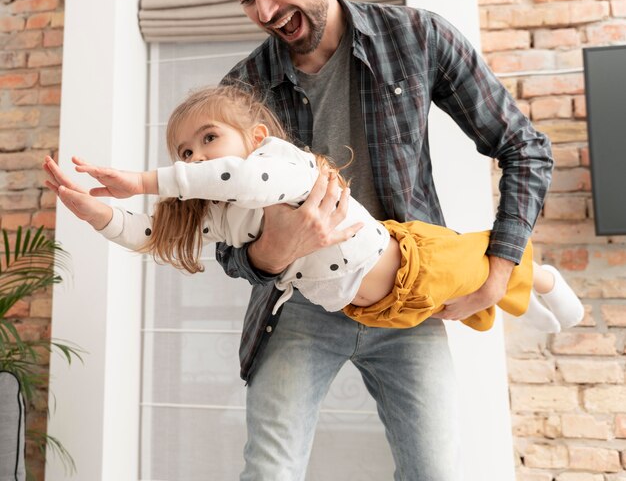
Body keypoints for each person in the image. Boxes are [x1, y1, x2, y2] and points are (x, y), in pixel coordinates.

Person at [197, 0, 556, 481]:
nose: (262, 10)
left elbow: (523, 145)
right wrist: (270, 252)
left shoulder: (415, 37)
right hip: (301, 308)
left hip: (408, 298)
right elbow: (227, 245)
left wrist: (498, 272)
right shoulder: (241, 91)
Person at [42, 86, 583, 337]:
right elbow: (152, 234)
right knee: (467, 304)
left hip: (414, 262)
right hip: (376, 307)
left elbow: (237, 176)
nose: (196, 158)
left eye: (208, 138)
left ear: (254, 138)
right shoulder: (226, 217)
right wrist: (96, 215)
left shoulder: (278, 165)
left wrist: (142, 180)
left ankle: (543, 280)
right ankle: (528, 303)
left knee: (489, 272)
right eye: (184, 153)